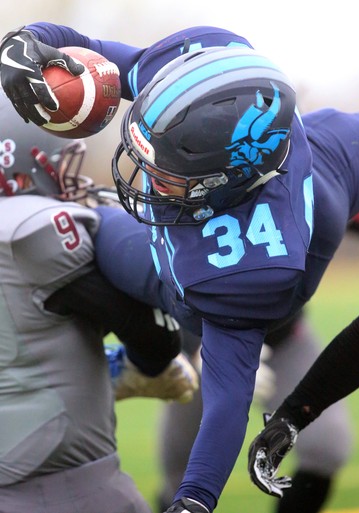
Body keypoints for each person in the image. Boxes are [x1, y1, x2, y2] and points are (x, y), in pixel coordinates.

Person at [2, 23, 359, 513]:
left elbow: (227, 400)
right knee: (79, 229)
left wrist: (195, 499)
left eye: (167, 170)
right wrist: (23, 44)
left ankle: (138, 359)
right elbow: (97, 52)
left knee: (81, 233)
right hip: (216, 271)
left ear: (230, 179)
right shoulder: (212, 71)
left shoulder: (245, 265)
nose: (147, 175)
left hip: (218, 298)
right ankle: (138, 349)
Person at [0, 88, 198, 513]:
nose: (74, 177)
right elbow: (156, 337)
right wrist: (130, 367)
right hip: (58, 484)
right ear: (16, 169)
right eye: (59, 162)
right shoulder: (31, 232)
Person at [157, 312, 352, 513]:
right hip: (205, 346)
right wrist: (198, 348)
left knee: (326, 445)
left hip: (282, 343)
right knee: (180, 474)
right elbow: (159, 288)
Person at [247, 303, 359, 499]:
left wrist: (292, 415)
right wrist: (194, 348)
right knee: (186, 467)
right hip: (196, 345)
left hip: (282, 341)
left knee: (326, 445)